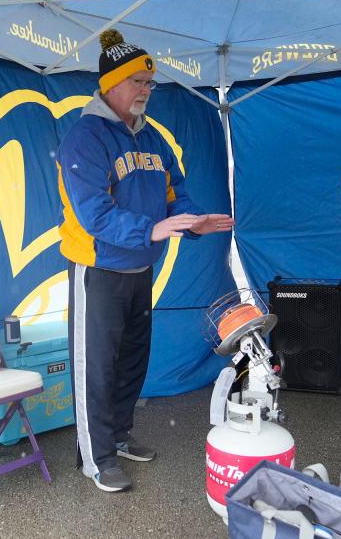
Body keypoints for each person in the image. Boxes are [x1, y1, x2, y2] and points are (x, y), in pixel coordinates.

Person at [57, 29, 234, 492]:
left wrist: (189, 220)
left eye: (150, 84)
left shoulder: (152, 138)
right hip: (97, 270)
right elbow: (93, 212)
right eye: (137, 81)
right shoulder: (85, 137)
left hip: (140, 268)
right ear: (111, 84)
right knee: (96, 367)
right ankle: (95, 459)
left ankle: (117, 436)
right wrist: (149, 230)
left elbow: (176, 190)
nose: (145, 91)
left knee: (132, 359)